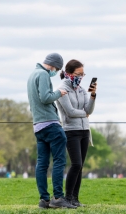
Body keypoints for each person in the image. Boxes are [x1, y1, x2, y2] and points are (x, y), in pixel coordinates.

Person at [27, 53, 76, 209]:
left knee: (42, 164)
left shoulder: (32, 75)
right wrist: (59, 93)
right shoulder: (42, 74)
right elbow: (45, 97)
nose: (56, 72)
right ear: (53, 65)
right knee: (59, 161)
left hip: (38, 125)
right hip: (50, 124)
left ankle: (44, 200)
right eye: (57, 68)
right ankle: (58, 197)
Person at [56, 59, 97, 207]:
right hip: (71, 131)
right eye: (78, 74)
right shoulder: (62, 89)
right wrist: (84, 114)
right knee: (76, 163)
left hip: (85, 131)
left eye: (83, 74)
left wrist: (93, 96)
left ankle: (75, 199)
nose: (81, 77)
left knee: (80, 166)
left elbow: (89, 110)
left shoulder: (81, 90)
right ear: (69, 73)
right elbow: (70, 112)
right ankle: (67, 197)